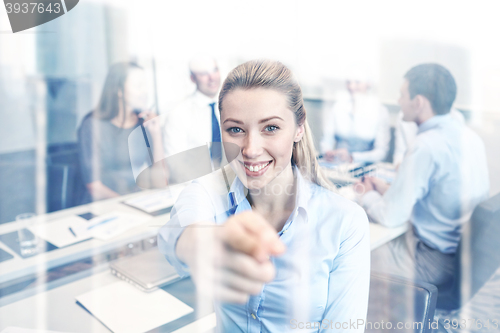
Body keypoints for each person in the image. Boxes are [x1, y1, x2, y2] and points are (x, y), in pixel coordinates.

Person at [158, 60, 370, 332]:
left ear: (299, 128)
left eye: (270, 128)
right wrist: (200, 243)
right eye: (235, 129)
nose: (250, 149)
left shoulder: (345, 222)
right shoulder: (210, 192)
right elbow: (176, 232)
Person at [359, 63, 489, 285]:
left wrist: (365, 194)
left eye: (402, 95)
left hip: (432, 262)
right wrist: (383, 187)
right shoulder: (471, 138)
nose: (399, 101)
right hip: (463, 260)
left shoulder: (425, 146)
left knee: (353, 258)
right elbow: (434, 195)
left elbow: (390, 217)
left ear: (418, 102)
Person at [77, 62, 163, 202]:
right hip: (104, 206)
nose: (145, 91)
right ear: (119, 90)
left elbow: (161, 181)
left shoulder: (144, 123)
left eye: (145, 85)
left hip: (137, 202)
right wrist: (130, 205)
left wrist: (156, 134)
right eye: (138, 86)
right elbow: (94, 186)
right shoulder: (92, 125)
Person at [162, 56, 222, 158]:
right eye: (204, 73)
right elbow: (176, 163)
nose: (212, 77)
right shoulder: (179, 114)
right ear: (192, 78)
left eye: (214, 70)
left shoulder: (231, 106)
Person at [320, 78, 390, 163]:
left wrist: (352, 157)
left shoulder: (380, 111)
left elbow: (381, 152)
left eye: (357, 82)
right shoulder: (337, 107)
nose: (351, 87)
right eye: (348, 82)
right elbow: (326, 140)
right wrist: (327, 152)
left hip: (365, 169)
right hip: (337, 165)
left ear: (369, 83)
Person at [393, 107, 465, 167]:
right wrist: (401, 165)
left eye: (403, 96)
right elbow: (400, 152)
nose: (399, 100)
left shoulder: (456, 119)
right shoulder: (404, 116)